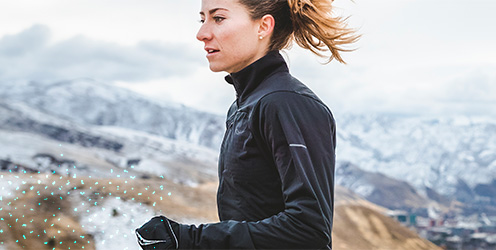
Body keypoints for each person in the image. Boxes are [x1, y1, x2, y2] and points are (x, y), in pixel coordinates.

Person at [135, 0, 357, 248]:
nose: (202, 34)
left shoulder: (286, 103)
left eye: (218, 19)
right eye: (202, 20)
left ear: (263, 26)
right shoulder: (245, 105)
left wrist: (189, 240)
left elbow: (308, 230)